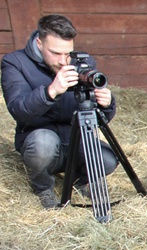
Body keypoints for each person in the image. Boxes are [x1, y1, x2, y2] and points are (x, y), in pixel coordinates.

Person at [1, 14, 118, 209]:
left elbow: (99, 118)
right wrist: (51, 91)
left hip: (75, 139)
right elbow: (19, 110)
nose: (64, 61)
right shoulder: (15, 63)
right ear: (39, 43)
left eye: (67, 53)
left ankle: (80, 181)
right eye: (55, 53)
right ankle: (43, 186)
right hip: (40, 141)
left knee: (107, 159)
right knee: (43, 145)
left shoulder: (82, 61)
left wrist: (107, 104)